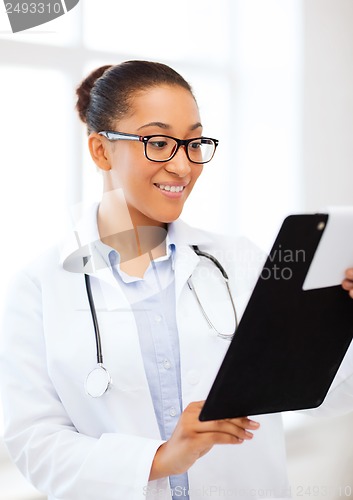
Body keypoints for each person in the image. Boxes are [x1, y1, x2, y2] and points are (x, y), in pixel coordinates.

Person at [0, 60, 353, 500]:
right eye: (160, 142)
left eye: (193, 143)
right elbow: (36, 446)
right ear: (101, 151)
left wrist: (339, 317)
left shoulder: (240, 260)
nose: (183, 166)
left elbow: (326, 395)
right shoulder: (37, 288)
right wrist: (163, 457)